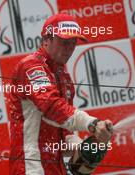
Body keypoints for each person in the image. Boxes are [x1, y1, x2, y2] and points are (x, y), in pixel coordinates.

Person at [9, 14, 113, 175]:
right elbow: (51, 108)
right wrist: (92, 123)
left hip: (55, 168)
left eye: (73, 43)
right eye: (64, 42)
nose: (69, 48)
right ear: (46, 40)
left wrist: (88, 146)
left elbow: (65, 134)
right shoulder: (30, 66)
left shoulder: (63, 75)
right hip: (30, 167)